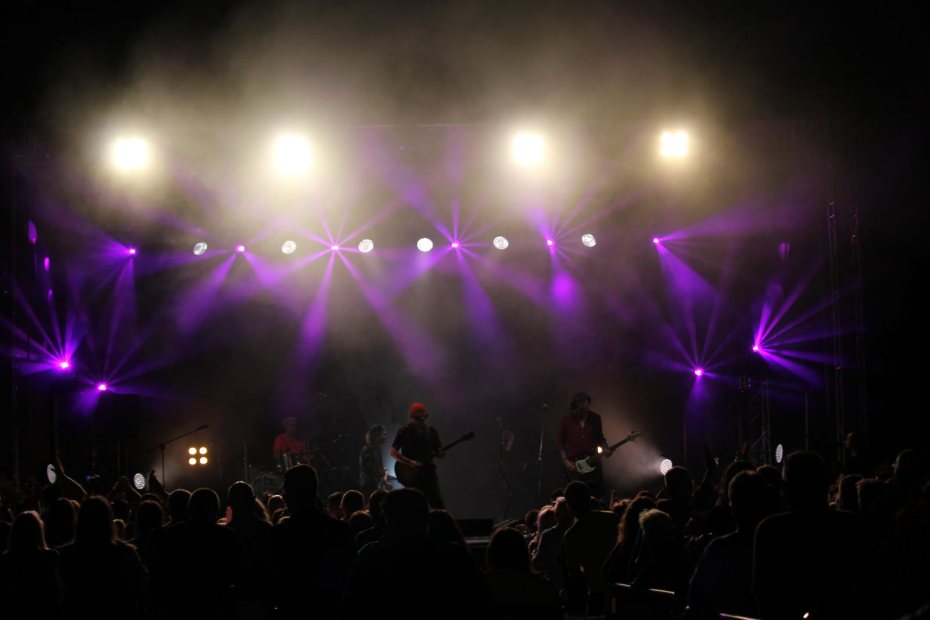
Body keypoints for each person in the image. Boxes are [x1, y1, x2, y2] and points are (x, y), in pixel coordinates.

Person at [557, 392, 613, 500]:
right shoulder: (566, 420)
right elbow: (560, 442)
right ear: (575, 406)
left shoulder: (595, 418)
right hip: (573, 464)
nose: (582, 410)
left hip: (593, 461)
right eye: (579, 407)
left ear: (588, 404)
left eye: (584, 405)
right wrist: (566, 461)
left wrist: (606, 448)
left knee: (596, 494)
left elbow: (600, 438)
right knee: (575, 496)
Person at [391, 402, 446, 509]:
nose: (421, 420)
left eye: (423, 415)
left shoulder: (431, 431)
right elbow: (393, 452)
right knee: (415, 506)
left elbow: (439, 452)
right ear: (412, 416)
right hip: (412, 476)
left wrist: (441, 453)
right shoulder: (404, 431)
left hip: (429, 473)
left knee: (438, 505)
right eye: (418, 416)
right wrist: (409, 462)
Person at [358, 424, 389, 498]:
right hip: (370, 485)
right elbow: (371, 469)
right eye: (383, 434)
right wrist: (382, 475)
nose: (385, 436)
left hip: (373, 484)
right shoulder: (370, 449)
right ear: (377, 436)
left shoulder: (375, 448)